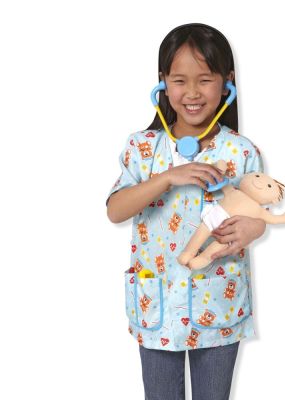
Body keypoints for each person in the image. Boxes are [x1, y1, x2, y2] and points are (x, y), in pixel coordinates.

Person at [106, 23, 267, 400]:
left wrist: (253, 229)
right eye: (179, 80)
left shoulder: (241, 151)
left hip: (218, 303)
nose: (192, 93)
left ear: (227, 83)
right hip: (157, 305)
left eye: (205, 80)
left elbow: (257, 213)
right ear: (163, 82)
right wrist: (166, 178)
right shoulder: (143, 148)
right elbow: (115, 209)